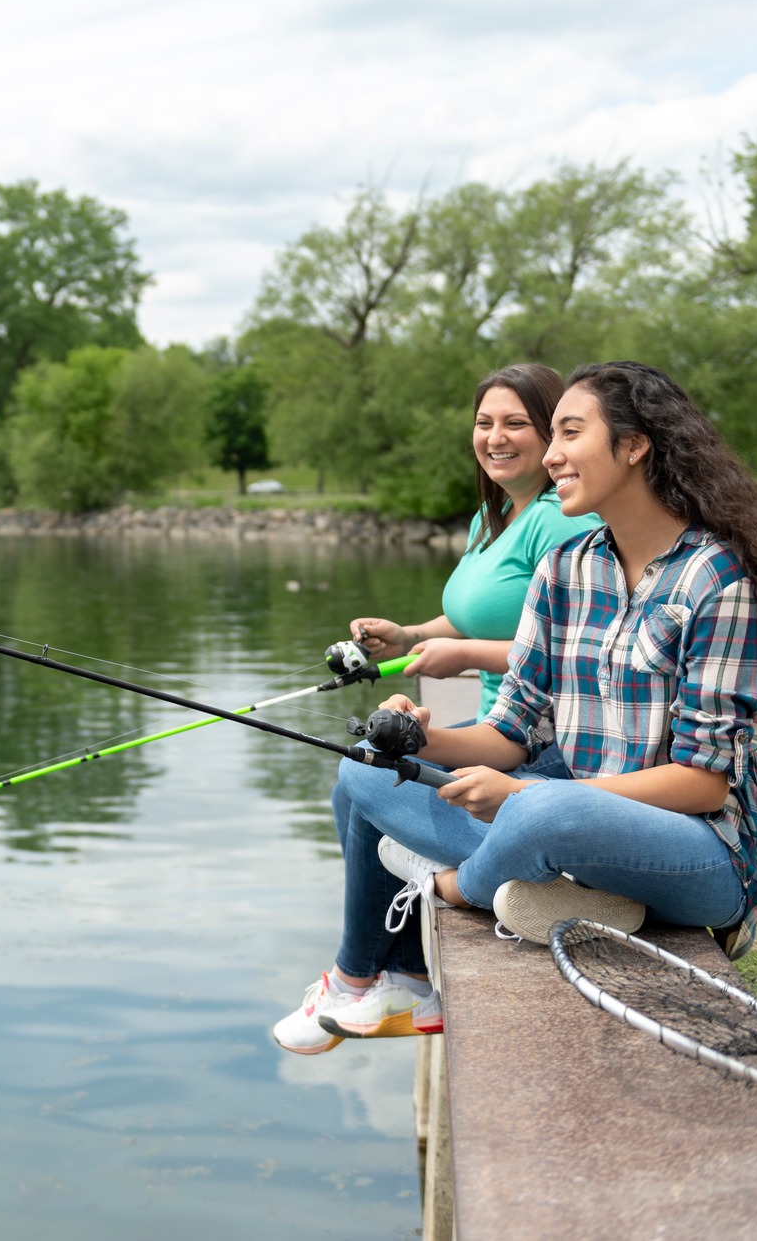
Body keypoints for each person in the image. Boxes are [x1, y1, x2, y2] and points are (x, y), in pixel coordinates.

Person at [274, 362, 757, 1057]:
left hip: (704, 854)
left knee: (539, 804)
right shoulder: (565, 572)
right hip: (573, 828)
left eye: (569, 432)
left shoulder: (715, 579)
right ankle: (561, 888)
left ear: (634, 445)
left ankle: (462, 887)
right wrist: (424, 737)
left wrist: (526, 798)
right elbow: (511, 730)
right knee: (364, 769)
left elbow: (703, 781)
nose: (552, 454)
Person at [274, 363, 598, 1053]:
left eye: (515, 422)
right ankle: (392, 980)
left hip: (544, 749)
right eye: (484, 422)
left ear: (551, 433)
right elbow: (483, 614)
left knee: (364, 774)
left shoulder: (560, 523)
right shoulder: (495, 515)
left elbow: (576, 647)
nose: (496, 436)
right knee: (363, 776)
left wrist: (471, 656)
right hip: (497, 730)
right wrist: (414, 636)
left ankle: (363, 976)